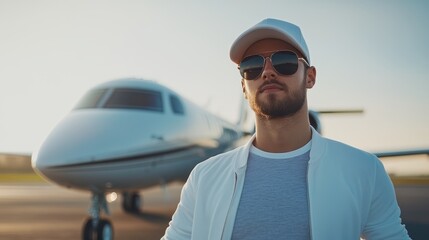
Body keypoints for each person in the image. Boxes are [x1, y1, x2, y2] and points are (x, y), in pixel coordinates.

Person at [161, 18, 410, 240]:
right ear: (243, 85)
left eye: (285, 61)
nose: (268, 72)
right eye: (252, 66)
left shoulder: (364, 170)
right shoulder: (203, 178)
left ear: (310, 77)